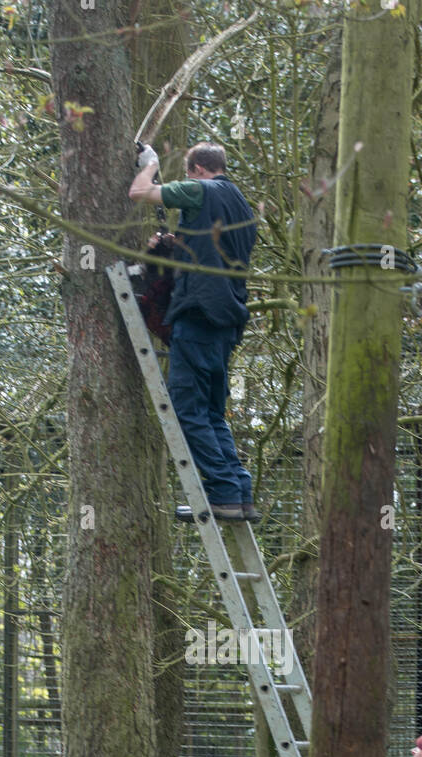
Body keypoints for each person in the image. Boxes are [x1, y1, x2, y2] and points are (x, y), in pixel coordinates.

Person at [129, 141, 259, 523]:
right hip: (227, 319)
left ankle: (220, 492)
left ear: (198, 170)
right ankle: (238, 492)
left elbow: (139, 192)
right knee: (213, 411)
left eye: (187, 174)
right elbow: (209, 252)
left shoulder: (199, 189)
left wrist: (150, 164)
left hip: (199, 315)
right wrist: (174, 247)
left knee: (186, 408)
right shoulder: (243, 208)